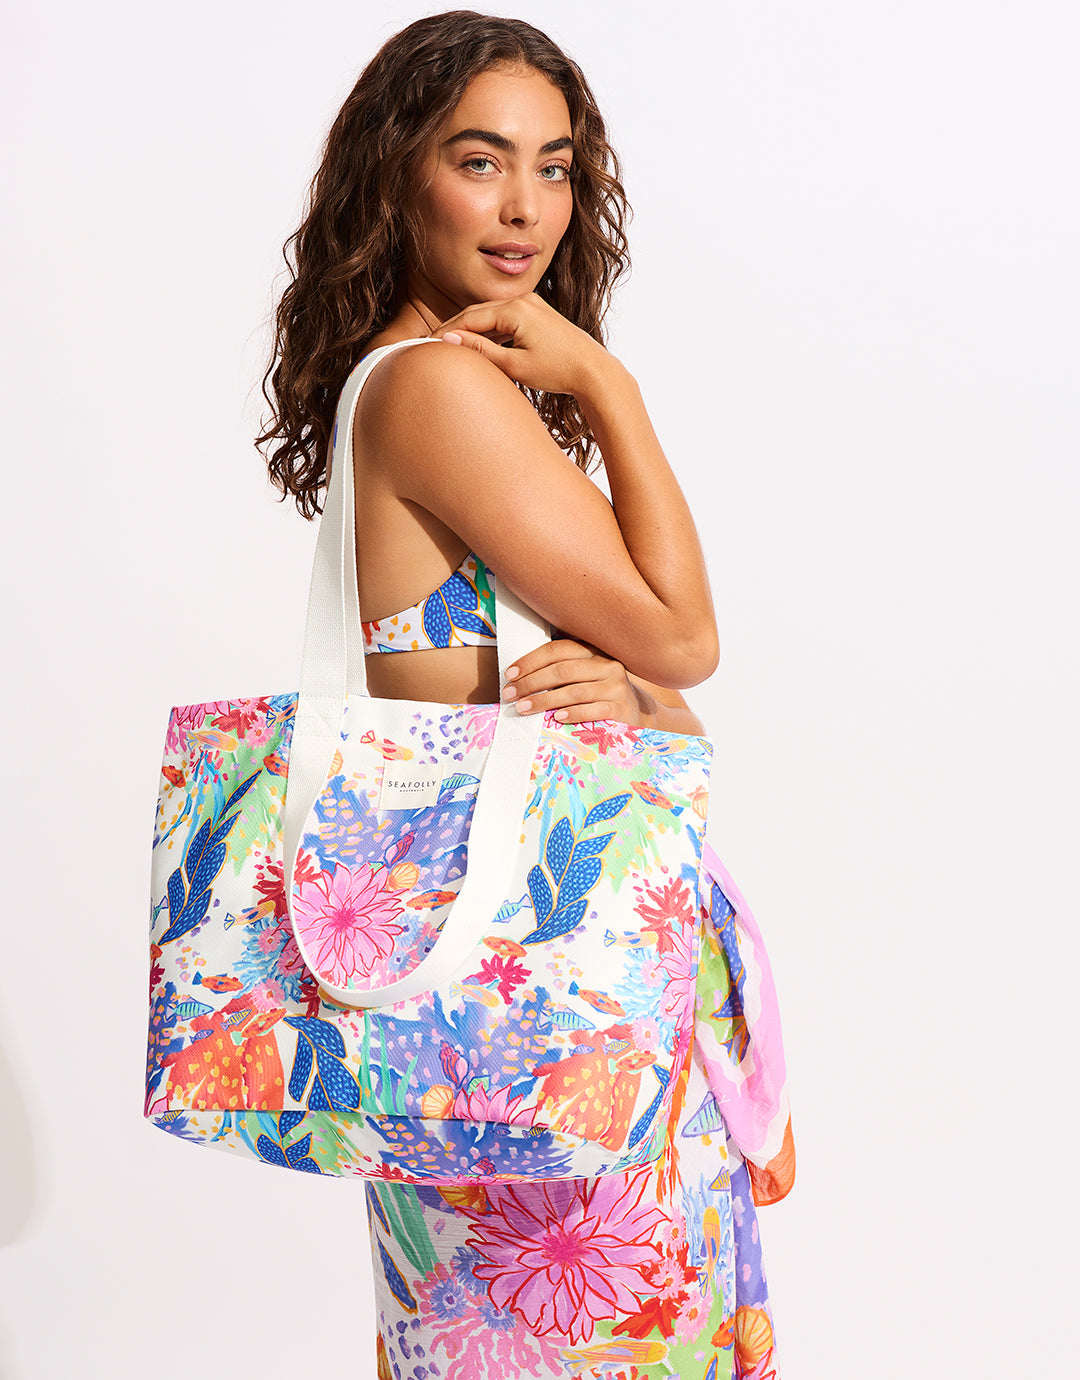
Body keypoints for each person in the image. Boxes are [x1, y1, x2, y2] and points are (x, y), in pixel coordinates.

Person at [257, 12, 794, 1379]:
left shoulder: (404, 385)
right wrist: (607, 382)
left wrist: (636, 687)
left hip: (496, 1012)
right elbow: (684, 637)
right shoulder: (439, 388)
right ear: (398, 175)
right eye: (480, 160)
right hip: (544, 1022)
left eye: (554, 167)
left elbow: (649, 697)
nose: (526, 208)